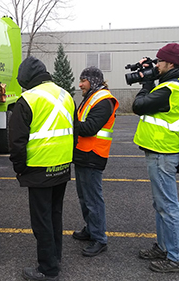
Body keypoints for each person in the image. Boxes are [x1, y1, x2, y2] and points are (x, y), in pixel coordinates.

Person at [9, 56, 78, 281]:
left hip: (39, 167)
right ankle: (55, 257)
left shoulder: (27, 99)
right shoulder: (65, 95)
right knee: (54, 215)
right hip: (62, 165)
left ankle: (48, 269)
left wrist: (19, 168)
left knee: (41, 220)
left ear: (26, 79)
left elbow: (17, 141)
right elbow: (74, 131)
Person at [132, 43, 179, 273]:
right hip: (160, 150)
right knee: (161, 204)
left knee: (168, 205)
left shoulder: (170, 89)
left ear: (170, 63)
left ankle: (177, 257)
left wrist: (146, 82)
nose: (156, 65)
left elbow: (139, 105)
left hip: (163, 153)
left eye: (159, 61)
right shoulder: (171, 84)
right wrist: (152, 77)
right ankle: (164, 247)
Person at [72, 67, 118, 257]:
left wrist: (68, 122)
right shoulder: (92, 96)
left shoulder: (103, 100)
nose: (80, 84)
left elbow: (89, 127)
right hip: (84, 154)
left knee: (93, 199)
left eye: (83, 80)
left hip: (93, 155)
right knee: (84, 197)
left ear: (93, 81)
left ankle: (99, 238)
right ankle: (91, 229)